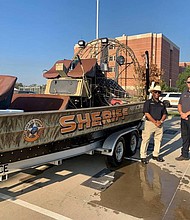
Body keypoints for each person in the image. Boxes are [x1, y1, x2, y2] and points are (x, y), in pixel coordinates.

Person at [140, 85, 168, 164]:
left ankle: (155, 154)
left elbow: (165, 114)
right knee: (146, 139)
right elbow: (146, 113)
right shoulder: (148, 102)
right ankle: (143, 156)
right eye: (155, 92)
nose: (157, 94)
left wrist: (161, 121)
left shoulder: (161, 104)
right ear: (152, 93)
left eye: (158, 92)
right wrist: (154, 122)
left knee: (158, 140)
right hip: (150, 123)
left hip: (159, 124)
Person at [176, 76, 190, 161]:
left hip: (188, 117)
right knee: (185, 136)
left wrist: (187, 114)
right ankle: (184, 154)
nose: (189, 84)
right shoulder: (184, 92)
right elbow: (179, 104)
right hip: (183, 118)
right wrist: (181, 113)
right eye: (188, 82)